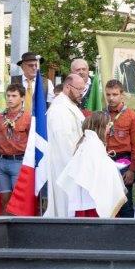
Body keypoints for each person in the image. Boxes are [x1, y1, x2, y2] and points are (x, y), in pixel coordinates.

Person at [54, 112, 128, 218]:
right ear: (102, 126)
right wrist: (112, 165)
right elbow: (96, 170)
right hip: (91, 199)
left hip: (90, 197)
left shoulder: (91, 143)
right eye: (108, 125)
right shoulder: (91, 145)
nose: (109, 129)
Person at [44, 73, 88, 217]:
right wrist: (77, 165)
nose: (82, 93)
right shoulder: (59, 109)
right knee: (65, 205)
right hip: (65, 166)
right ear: (68, 87)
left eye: (83, 89)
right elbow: (65, 143)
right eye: (79, 89)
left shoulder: (69, 105)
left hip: (73, 163)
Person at [104, 80, 135, 218]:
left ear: (122, 95)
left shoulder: (132, 117)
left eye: (115, 94)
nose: (111, 98)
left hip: (123, 161)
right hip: (104, 160)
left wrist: (132, 170)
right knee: (105, 201)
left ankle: (129, 231)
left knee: (125, 202)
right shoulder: (101, 114)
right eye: (108, 94)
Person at [0, 83, 30, 212]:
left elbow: (32, 141)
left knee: (18, 199)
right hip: (1, 162)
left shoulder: (28, 117)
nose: (10, 99)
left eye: (14, 96)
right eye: (8, 96)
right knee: (4, 199)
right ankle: (5, 222)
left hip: (19, 161)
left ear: (22, 97)